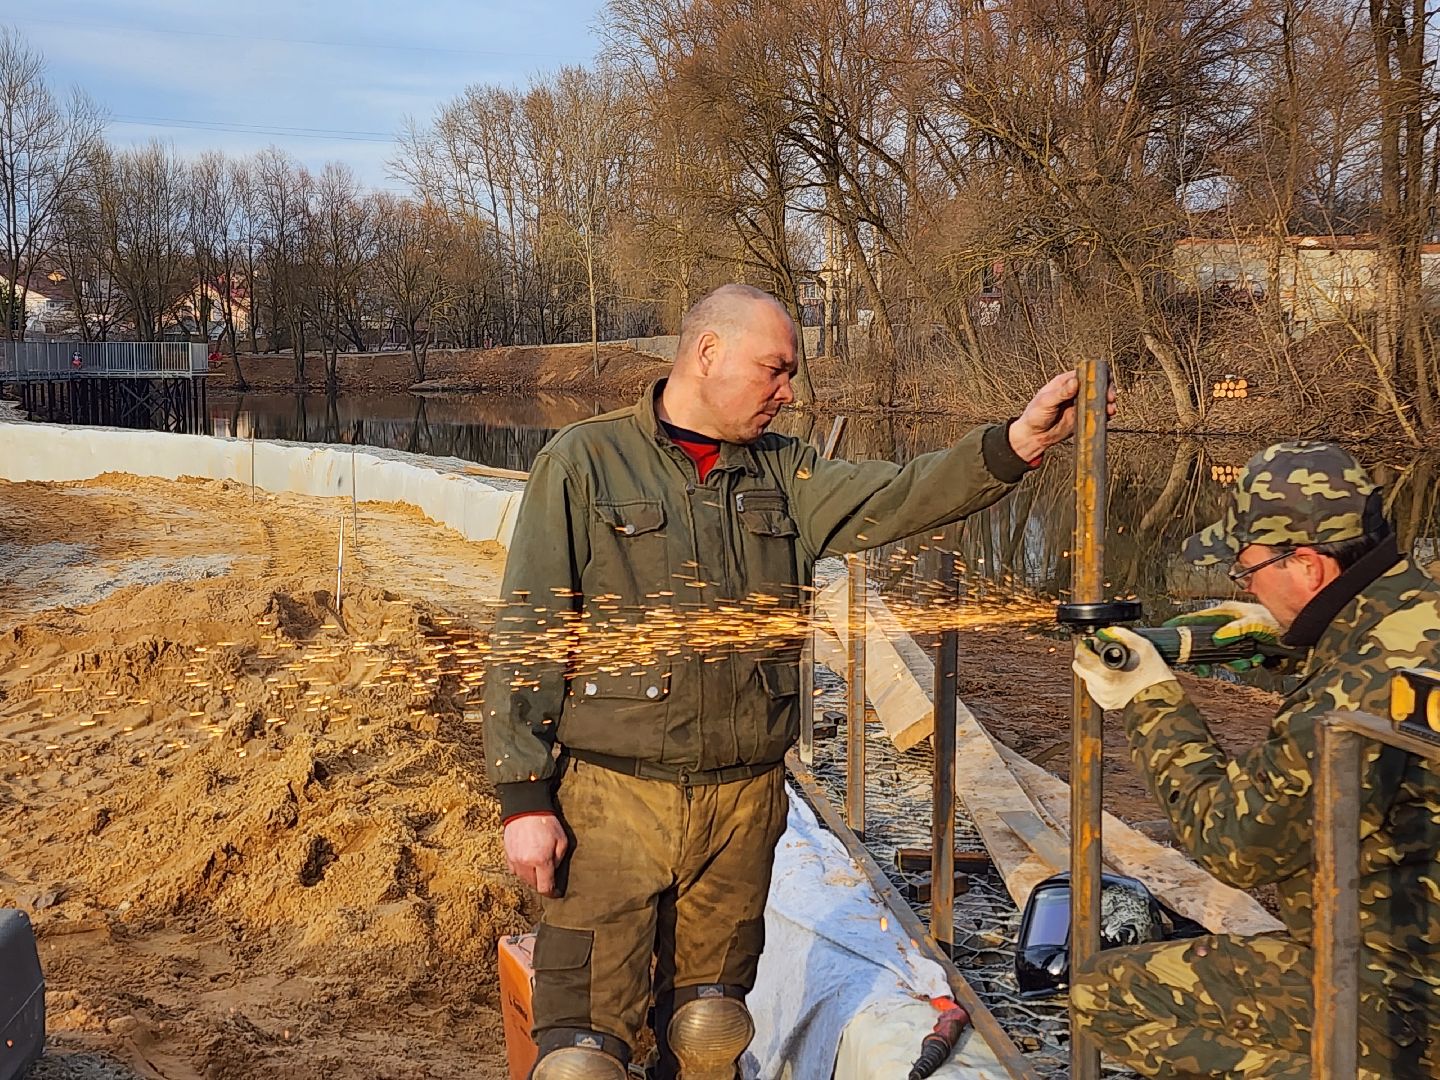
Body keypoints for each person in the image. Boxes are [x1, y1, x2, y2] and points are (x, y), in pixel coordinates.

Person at [484, 283, 1109, 1080]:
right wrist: (525, 798)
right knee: (581, 1061)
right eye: (774, 369)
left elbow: (898, 494)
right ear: (707, 353)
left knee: (708, 1032)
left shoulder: (786, 472)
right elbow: (530, 628)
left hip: (741, 807)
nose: (788, 391)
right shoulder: (584, 462)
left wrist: (1014, 444)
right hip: (613, 802)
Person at [1071, 441, 1440, 1079]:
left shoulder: (1343, 702)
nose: (1245, 585)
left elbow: (1235, 844)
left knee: (1105, 995)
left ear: (1308, 566)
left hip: (1405, 996)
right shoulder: (1417, 610)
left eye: (1248, 571)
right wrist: (1294, 639)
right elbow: (1372, 655)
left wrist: (1149, 700)